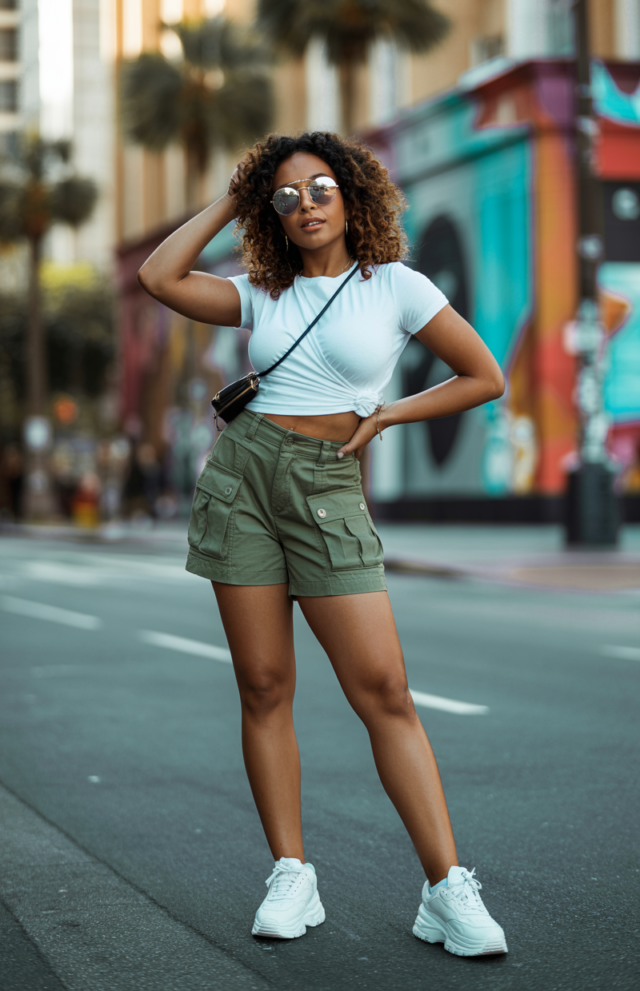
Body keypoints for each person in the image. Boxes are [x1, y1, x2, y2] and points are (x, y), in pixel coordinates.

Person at [138, 132, 507, 957]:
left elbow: (485, 377)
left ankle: (446, 889)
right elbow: (158, 278)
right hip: (243, 479)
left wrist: (388, 415)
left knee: (384, 691)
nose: (303, 205)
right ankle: (292, 874)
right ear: (268, 213)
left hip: (327, 483)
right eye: (283, 196)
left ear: (351, 195)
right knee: (264, 685)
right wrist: (235, 196)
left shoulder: (396, 286)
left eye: (318, 189)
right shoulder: (261, 292)